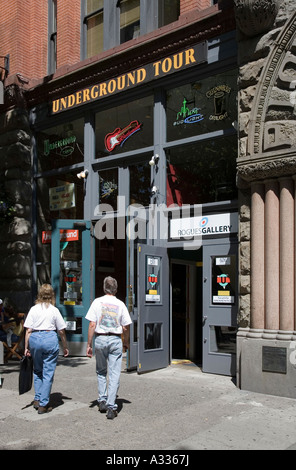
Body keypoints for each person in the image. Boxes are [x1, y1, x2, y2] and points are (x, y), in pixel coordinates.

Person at [86, 276, 132, 420]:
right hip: (115, 339)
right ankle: (112, 407)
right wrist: (126, 342)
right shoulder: (121, 304)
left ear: (104, 288)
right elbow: (126, 327)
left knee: (101, 371)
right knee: (114, 373)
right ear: (116, 289)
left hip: (100, 338)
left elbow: (92, 324)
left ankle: (102, 400)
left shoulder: (97, 302)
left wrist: (89, 344)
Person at [24, 284, 69, 414]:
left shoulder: (33, 309)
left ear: (39, 294)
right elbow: (61, 330)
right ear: (52, 295)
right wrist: (65, 346)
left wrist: (26, 348)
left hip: (35, 339)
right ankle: (43, 404)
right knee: (48, 372)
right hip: (49, 338)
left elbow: (28, 330)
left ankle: (37, 399)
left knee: (37, 370)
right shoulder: (54, 310)